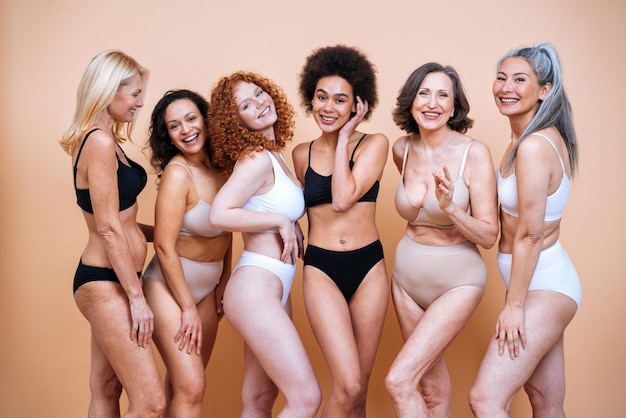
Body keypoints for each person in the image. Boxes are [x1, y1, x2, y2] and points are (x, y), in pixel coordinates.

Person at [469, 43, 581, 417]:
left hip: (543, 286)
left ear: (544, 90)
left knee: (485, 399)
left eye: (520, 79)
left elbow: (531, 233)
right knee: (547, 402)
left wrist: (514, 306)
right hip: (540, 283)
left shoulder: (534, 145)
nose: (506, 87)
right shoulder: (522, 140)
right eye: (501, 78)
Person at [382, 62, 499, 417]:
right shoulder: (402, 149)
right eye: (424, 93)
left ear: (454, 105)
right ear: (411, 101)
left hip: (457, 280)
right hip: (405, 280)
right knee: (431, 390)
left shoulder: (473, 153)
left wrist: (451, 209)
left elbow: (489, 235)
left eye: (443, 95)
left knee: (399, 381)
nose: (432, 103)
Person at [207, 71, 321, 417]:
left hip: (274, 286)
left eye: (259, 93)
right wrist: (279, 221)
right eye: (246, 104)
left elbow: (267, 204)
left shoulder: (275, 155)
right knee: (305, 399)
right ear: (235, 120)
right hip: (255, 286)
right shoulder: (255, 158)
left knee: (259, 400)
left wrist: (290, 222)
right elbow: (220, 214)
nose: (259, 103)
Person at [59, 50, 165, 418]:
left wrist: (171, 234)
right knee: (151, 404)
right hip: (107, 283)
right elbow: (106, 228)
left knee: (106, 389)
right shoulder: (99, 143)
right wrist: (137, 298)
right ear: (108, 90)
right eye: (134, 94)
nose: (140, 102)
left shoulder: (104, 140)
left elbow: (125, 222)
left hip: (116, 279)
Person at [292, 44, 389, 417]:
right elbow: (291, 207)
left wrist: (345, 137)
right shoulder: (301, 154)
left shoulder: (374, 144)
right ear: (310, 98)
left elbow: (343, 198)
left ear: (356, 105)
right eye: (321, 97)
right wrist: (285, 226)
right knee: (346, 385)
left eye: (339, 100)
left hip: (369, 268)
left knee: (359, 393)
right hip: (322, 269)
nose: (328, 107)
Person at [142, 89, 232, 417]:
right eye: (174, 126)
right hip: (168, 287)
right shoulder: (178, 174)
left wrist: (224, 279)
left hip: (208, 290)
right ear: (168, 136)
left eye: (191, 119)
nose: (186, 130)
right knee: (192, 386)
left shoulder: (224, 167)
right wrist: (186, 308)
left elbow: (227, 229)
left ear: (206, 121)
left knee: (181, 387)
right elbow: (164, 247)